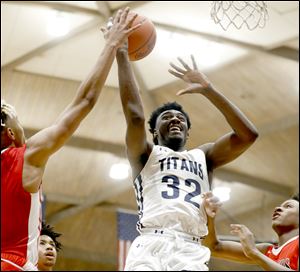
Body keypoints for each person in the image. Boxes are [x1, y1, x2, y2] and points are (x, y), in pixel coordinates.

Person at [108, 21, 259, 270]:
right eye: (167, 117)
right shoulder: (145, 154)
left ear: (188, 133)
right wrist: (122, 52)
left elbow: (248, 135)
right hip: (150, 244)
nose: (175, 119)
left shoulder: (204, 155)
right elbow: (135, 115)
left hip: (190, 249)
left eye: (181, 119)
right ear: (155, 132)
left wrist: (209, 90)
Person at [1, 8, 141, 271]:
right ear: (10, 132)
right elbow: (84, 102)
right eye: (16, 119)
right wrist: (112, 45)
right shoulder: (26, 156)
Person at [202, 192, 299, 271]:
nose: (277, 208)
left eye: (288, 206)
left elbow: (254, 252)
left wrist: (254, 253)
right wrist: (209, 218)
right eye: (280, 206)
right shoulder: (267, 250)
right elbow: (213, 247)